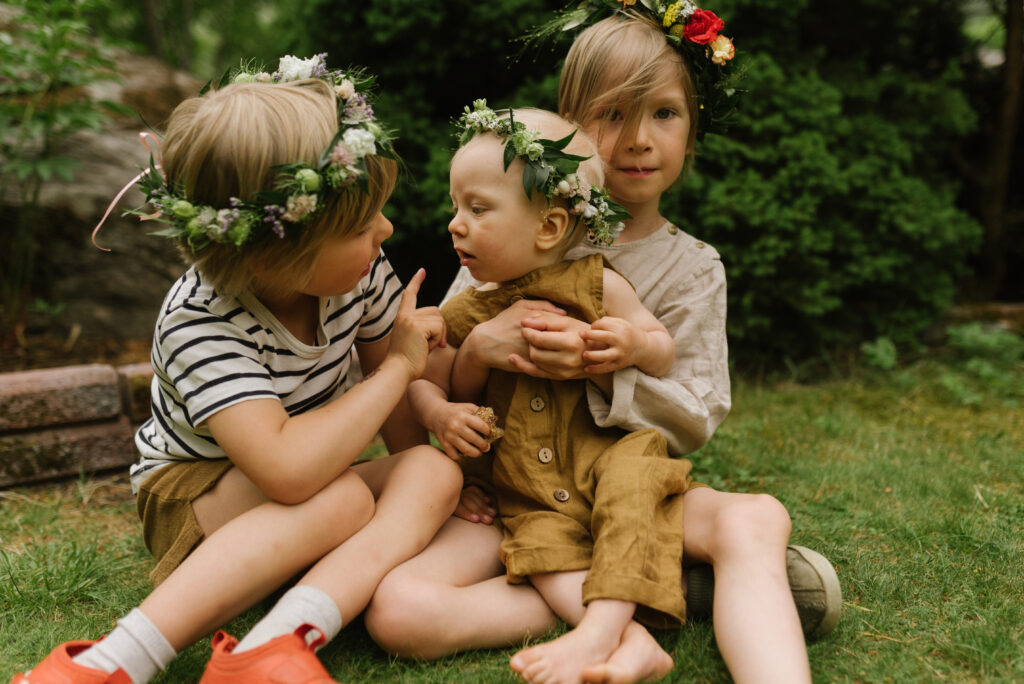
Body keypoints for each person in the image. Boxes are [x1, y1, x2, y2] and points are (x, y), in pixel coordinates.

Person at [365, 8, 841, 684]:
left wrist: (606, 365)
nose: (639, 140)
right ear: (565, 132)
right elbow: (433, 373)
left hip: (626, 489)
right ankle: (641, 600)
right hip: (515, 499)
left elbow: (697, 411)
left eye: (665, 114)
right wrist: (480, 354)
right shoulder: (503, 237)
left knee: (756, 521)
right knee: (399, 612)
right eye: (612, 116)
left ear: (693, 128)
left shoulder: (694, 268)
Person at [11, 54, 461, 684]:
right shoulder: (201, 321)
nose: (384, 230)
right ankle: (114, 661)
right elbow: (290, 470)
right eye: (361, 225)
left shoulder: (358, 270)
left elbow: (398, 416)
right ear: (274, 255)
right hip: (195, 494)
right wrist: (398, 372)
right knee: (340, 501)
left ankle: (275, 645)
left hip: (311, 473)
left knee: (432, 471)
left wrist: (415, 507)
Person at [409, 103, 692, 683]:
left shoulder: (599, 284)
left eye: (477, 209)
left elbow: (665, 348)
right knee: (541, 548)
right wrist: (441, 412)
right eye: (455, 207)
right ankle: (633, 642)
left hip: (607, 458)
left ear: (549, 227)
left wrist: (634, 344)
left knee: (630, 495)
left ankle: (596, 634)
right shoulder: (467, 309)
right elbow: (421, 383)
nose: (454, 224)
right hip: (528, 489)